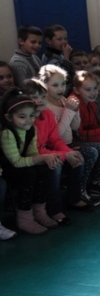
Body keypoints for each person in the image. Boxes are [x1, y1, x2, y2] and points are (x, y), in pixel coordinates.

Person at [21, 79, 89, 221]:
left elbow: (55, 139)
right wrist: (64, 155)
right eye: (34, 97)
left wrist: (68, 152)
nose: (40, 100)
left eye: (42, 96)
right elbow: (36, 150)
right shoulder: (28, 120)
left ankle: (74, 199)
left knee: (77, 157)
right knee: (55, 165)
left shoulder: (47, 114)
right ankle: (54, 209)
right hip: (31, 157)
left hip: (45, 152)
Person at [0, 89, 59, 234]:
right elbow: (16, 162)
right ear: (9, 117)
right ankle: (24, 219)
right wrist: (41, 158)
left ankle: (40, 212)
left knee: (42, 170)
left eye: (32, 115)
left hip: (22, 164)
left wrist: (44, 160)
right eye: (22, 117)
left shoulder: (32, 129)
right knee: (28, 175)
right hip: (7, 167)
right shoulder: (7, 133)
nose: (28, 120)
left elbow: (32, 153)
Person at [42, 24, 76, 93]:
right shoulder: (50, 56)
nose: (64, 42)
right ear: (49, 41)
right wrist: (66, 56)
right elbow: (62, 75)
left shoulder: (60, 54)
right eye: (59, 39)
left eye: (65, 39)